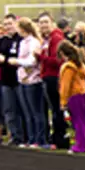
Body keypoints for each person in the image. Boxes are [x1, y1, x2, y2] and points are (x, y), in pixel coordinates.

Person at [58, 40, 85, 154]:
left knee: (78, 121)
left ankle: (80, 145)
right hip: (83, 92)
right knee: (83, 120)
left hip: (74, 94)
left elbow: (65, 86)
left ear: (62, 53)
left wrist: (63, 101)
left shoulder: (68, 67)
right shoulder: (79, 65)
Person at [12, 18, 48, 149]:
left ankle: (39, 139)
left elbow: (32, 61)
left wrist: (16, 62)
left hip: (33, 80)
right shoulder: (22, 43)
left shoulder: (33, 42)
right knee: (27, 112)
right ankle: (31, 138)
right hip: (22, 79)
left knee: (36, 112)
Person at [0, 16, 25, 147]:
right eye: (5, 24)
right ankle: (14, 136)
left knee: (22, 109)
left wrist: (5, 60)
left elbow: (18, 58)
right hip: (6, 80)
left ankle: (25, 136)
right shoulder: (3, 41)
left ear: (16, 24)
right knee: (9, 109)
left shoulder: (21, 39)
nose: (8, 27)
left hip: (19, 79)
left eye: (10, 24)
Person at [37, 13, 68, 149]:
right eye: (41, 22)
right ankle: (55, 136)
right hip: (47, 76)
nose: (43, 25)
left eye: (46, 22)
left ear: (52, 23)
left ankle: (59, 137)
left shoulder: (56, 38)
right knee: (53, 109)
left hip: (53, 77)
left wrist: (40, 57)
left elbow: (58, 61)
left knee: (56, 109)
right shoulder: (47, 39)